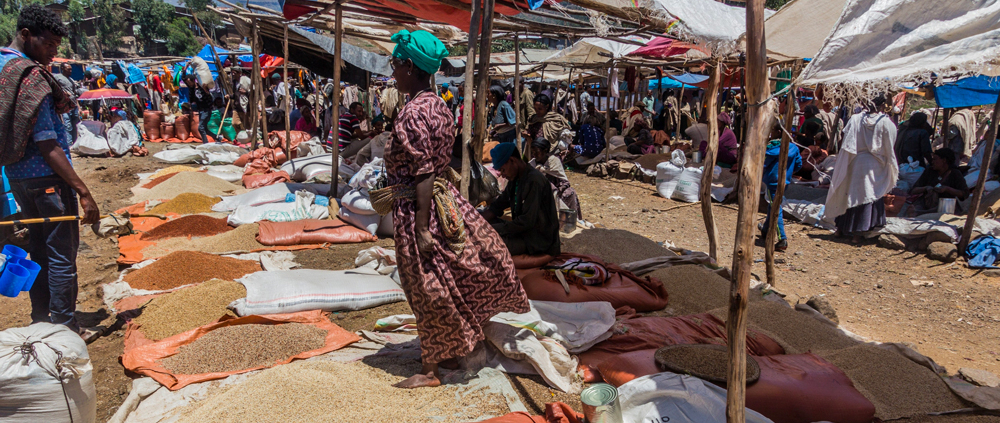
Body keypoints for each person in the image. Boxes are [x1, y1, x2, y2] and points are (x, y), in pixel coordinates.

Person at [382, 29, 529, 389]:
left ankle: (429, 370)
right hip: (442, 201)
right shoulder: (439, 107)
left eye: (395, 64)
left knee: (425, 285)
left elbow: (422, 173)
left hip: (419, 207)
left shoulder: (412, 113)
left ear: (409, 65)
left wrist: (420, 227)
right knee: (447, 276)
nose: (392, 72)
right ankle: (451, 346)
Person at [0, 5, 100, 339]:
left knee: (39, 250)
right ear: (26, 35)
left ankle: (42, 320)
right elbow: (47, 142)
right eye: (50, 45)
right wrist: (83, 190)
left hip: (17, 177)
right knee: (60, 254)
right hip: (48, 181)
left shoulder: (3, 67)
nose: (54, 53)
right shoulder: (30, 77)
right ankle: (66, 328)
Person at [823, 93, 898, 243]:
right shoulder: (886, 122)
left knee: (850, 193)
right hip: (875, 165)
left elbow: (846, 141)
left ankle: (840, 229)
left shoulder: (855, 119)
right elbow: (890, 144)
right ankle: (858, 234)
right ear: (882, 105)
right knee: (869, 194)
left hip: (856, 162)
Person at [482, 142, 561, 257]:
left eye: (503, 170)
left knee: (488, 244)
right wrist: (477, 222)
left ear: (512, 161)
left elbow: (526, 222)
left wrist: (492, 230)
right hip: (523, 233)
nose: (502, 175)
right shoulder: (516, 179)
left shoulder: (534, 181)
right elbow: (497, 206)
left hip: (537, 240)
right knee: (486, 225)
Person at [761, 122, 802, 252]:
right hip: (785, 182)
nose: (771, 133)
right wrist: (789, 172)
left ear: (779, 132)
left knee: (775, 207)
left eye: (773, 130)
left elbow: (763, 163)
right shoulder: (794, 148)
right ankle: (766, 229)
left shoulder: (772, 149)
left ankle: (782, 238)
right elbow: (798, 165)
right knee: (773, 204)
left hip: (773, 182)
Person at [529, 137, 583, 220]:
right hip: (538, 194)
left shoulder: (554, 161)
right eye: (533, 152)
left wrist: (558, 191)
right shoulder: (532, 164)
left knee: (570, 192)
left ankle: (570, 220)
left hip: (557, 193)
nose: (534, 154)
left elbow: (565, 181)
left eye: (537, 152)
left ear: (545, 150)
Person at [910, 148, 968, 213]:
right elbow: (913, 190)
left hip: (946, 206)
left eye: (935, 159)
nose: (932, 162)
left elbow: (964, 194)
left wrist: (947, 189)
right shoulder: (929, 171)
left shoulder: (955, 173)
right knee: (915, 209)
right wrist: (926, 188)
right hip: (927, 203)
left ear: (944, 160)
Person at [183, 73, 214, 144]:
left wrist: (207, 93)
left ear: (193, 80)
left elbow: (210, 99)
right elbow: (183, 77)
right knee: (205, 128)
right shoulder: (192, 88)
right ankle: (217, 137)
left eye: (189, 82)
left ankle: (205, 143)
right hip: (200, 110)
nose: (188, 84)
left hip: (206, 110)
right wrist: (185, 67)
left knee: (201, 127)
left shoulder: (202, 88)